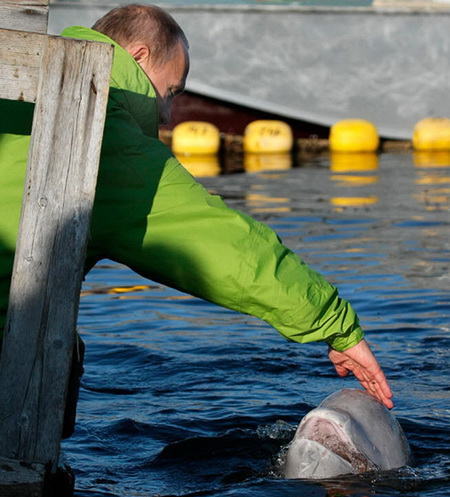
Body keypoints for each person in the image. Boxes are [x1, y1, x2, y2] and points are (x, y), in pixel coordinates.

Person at [0, 4, 393, 409]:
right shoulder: (103, 134)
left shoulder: (16, 80)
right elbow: (222, 248)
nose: (168, 114)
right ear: (138, 57)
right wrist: (335, 323)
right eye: (169, 92)